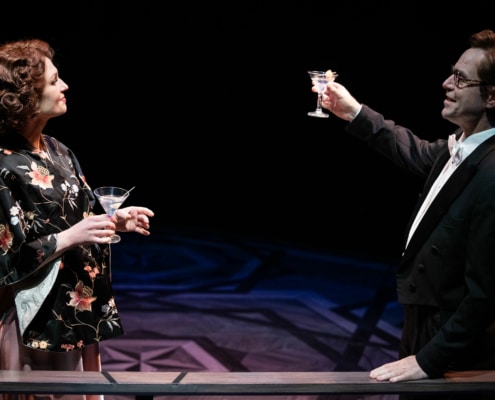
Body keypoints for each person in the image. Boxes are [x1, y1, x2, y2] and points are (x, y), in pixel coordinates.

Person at [313, 29, 495, 399]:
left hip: (457, 343)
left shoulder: (492, 174)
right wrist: (353, 111)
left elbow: (487, 293)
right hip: (423, 324)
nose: (447, 83)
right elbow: (412, 150)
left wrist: (431, 359)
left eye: (461, 78)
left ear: (491, 95)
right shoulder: (457, 148)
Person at [0, 38, 154, 399]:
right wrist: (72, 236)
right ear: (25, 95)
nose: (65, 86)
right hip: (35, 322)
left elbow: (81, 219)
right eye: (54, 81)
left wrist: (116, 222)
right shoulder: (4, 167)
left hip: (76, 315)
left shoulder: (59, 150)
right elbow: (8, 261)